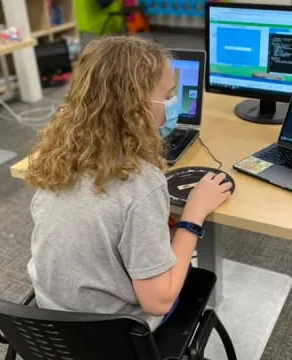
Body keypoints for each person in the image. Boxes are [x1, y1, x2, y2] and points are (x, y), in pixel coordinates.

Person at [26, 36, 232, 330]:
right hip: (113, 334)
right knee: (185, 270)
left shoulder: (55, 155)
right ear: (136, 106)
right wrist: (193, 216)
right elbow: (159, 301)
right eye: (168, 94)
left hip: (48, 317)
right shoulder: (142, 185)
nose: (173, 103)